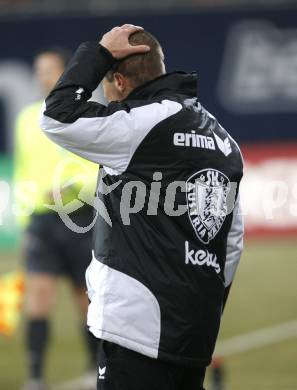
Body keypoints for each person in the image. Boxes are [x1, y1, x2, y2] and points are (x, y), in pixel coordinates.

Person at [40, 25, 244, 390]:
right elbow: (231, 243)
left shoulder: (138, 124)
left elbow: (57, 116)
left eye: (106, 84)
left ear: (118, 81)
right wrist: (202, 307)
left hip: (135, 331)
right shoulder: (224, 140)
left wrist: (97, 53)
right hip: (195, 334)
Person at [14, 48, 98, 390]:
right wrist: (24, 223)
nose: (43, 77)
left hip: (80, 218)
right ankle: (35, 377)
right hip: (42, 223)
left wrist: (73, 187)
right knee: (38, 300)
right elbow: (23, 172)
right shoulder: (26, 119)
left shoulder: (86, 115)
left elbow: (99, 169)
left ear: (66, 73)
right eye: (39, 70)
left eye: (49, 70)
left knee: (86, 301)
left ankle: (95, 369)